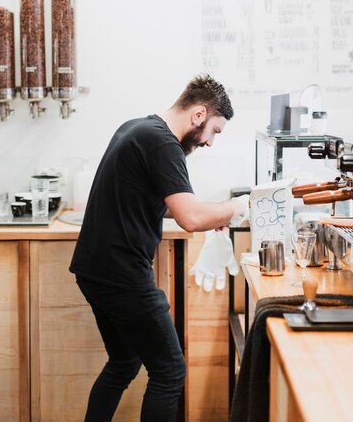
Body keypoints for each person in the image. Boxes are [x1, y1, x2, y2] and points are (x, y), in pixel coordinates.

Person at [69, 73, 249, 422]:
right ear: (198, 115)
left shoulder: (138, 128)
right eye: (215, 130)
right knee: (170, 372)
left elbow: (162, 203)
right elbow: (190, 218)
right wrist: (235, 207)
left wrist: (213, 214)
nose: (211, 142)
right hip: (121, 275)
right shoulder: (163, 143)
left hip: (95, 270)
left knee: (123, 362)